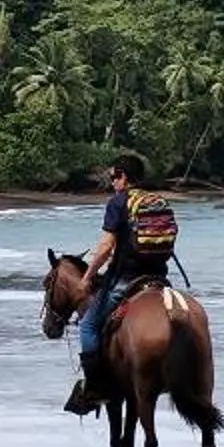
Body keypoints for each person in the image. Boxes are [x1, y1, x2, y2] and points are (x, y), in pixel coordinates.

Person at [63, 152, 166, 414]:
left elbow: (106, 247)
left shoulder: (119, 202)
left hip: (126, 279)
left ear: (124, 177)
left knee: (87, 325)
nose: (112, 183)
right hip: (159, 279)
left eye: (114, 177)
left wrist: (87, 277)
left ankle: (95, 388)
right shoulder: (156, 201)